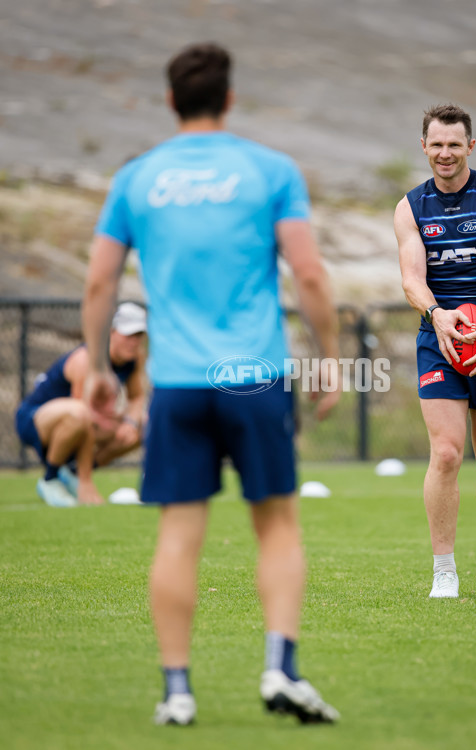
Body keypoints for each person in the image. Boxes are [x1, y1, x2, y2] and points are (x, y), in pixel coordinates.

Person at [81, 42, 341, 726]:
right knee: (277, 526)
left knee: (177, 536)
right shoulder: (269, 170)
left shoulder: (137, 178)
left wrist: (100, 371)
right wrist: (332, 355)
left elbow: (99, 281)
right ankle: (280, 670)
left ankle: (177, 691)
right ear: (229, 99)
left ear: (170, 101)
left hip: (180, 386)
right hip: (256, 378)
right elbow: (310, 275)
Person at [394, 103, 476, 600]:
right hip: (439, 336)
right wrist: (436, 315)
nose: (445, 153)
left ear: (470, 146)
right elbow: (411, 278)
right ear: (423, 147)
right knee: (446, 454)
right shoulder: (410, 207)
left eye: (454, 144)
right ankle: (444, 570)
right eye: (436, 144)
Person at [15, 301, 147, 508]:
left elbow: (137, 397)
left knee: (145, 424)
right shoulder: (87, 360)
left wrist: (130, 422)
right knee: (80, 414)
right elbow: (83, 419)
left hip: (81, 418)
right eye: (128, 335)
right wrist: (87, 483)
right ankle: (51, 479)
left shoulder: (133, 360)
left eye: (139, 336)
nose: (134, 342)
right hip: (34, 419)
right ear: (110, 333)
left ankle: (72, 472)